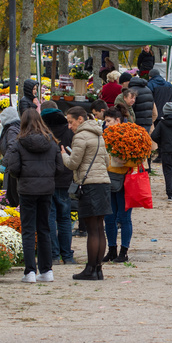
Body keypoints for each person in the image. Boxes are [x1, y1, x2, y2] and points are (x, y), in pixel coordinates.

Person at [4, 109, 64, 283]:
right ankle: (47, 270)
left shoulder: (19, 143)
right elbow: (60, 168)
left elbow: (13, 168)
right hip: (46, 190)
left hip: (27, 190)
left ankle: (30, 271)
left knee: (28, 230)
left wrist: (22, 177)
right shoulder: (52, 142)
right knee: (45, 228)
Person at [61, 106, 111, 279]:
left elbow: (73, 163)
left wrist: (63, 155)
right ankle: (98, 269)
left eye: (70, 122)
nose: (69, 126)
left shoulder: (81, 136)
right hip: (103, 183)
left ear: (80, 119)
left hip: (89, 184)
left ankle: (90, 269)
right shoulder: (99, 134)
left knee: (91, 230)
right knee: (99, 228)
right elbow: (106, 160)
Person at [40, 107, 77, 265]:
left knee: (50, 218)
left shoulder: (44, 136)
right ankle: (67, 255)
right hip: (65, 180)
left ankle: (53, 255)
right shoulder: (70, 133)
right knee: (65, 219)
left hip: (48, 180)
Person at [101, 111, 136, 264]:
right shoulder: (104, 136)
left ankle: (124, 251)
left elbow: (136, 160)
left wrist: (121, 159)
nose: (106, 124)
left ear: (117, 120)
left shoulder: (130, 135)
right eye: (105, 121)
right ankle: (112, 249)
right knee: (109, 218)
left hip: (125, 181)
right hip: (108, 179)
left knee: (124, 217)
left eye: (108, 121)